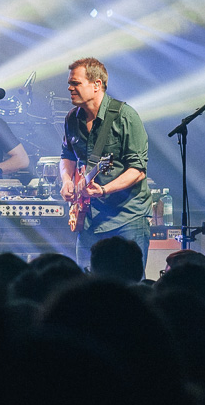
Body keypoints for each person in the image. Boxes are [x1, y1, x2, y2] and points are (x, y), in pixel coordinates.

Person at [59, 57, 152, 268]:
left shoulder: (125, 116)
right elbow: (67, 155)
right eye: (69, 83)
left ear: (96, 85)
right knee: (87, 282)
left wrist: (103, 190)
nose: (70, 88)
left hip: (126, 218)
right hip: (89, 218)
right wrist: (66, 180)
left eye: (75, 83)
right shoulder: (72, 118)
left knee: (129, 282)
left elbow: (137, 170)